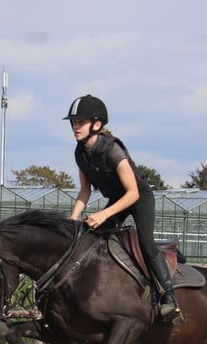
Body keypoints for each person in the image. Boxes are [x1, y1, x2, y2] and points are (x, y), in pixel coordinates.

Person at [64, 94, 181, 323]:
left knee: (145, 242)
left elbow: (133, 193)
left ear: (97, 125)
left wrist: (103, 214)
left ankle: (169, 297)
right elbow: (85, 191)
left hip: (138, 197)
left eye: (80, 122)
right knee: (91, 236)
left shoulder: (112, 149)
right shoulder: (80, 153)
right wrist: (72, 218)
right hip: (118, 199)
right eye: (73, 123)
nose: (75, 127)